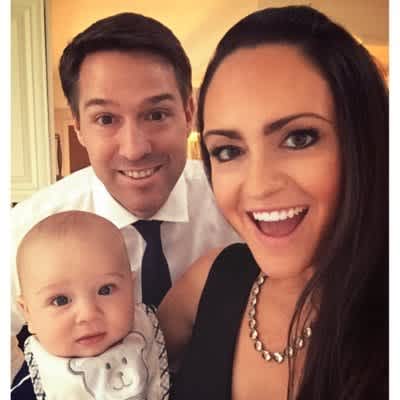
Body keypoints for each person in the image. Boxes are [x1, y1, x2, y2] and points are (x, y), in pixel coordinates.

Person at [158, 5, 388, 400]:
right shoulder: (211, 280)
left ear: (363, 141)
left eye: (299, 138)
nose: (259, 186)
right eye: (228, 151)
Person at [11, 11, 240, 374]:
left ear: (188, 113)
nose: (134, 149)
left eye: (156, 114)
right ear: (79, 127)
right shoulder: (25, 230)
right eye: (106, 119)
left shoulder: (240, 207)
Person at [11, 211, 169, 399]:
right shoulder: (37, 384)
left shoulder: (146, 343)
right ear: (28, 314)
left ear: (132, 289)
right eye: (60, 300)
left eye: (105, 290)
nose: (88, 314)